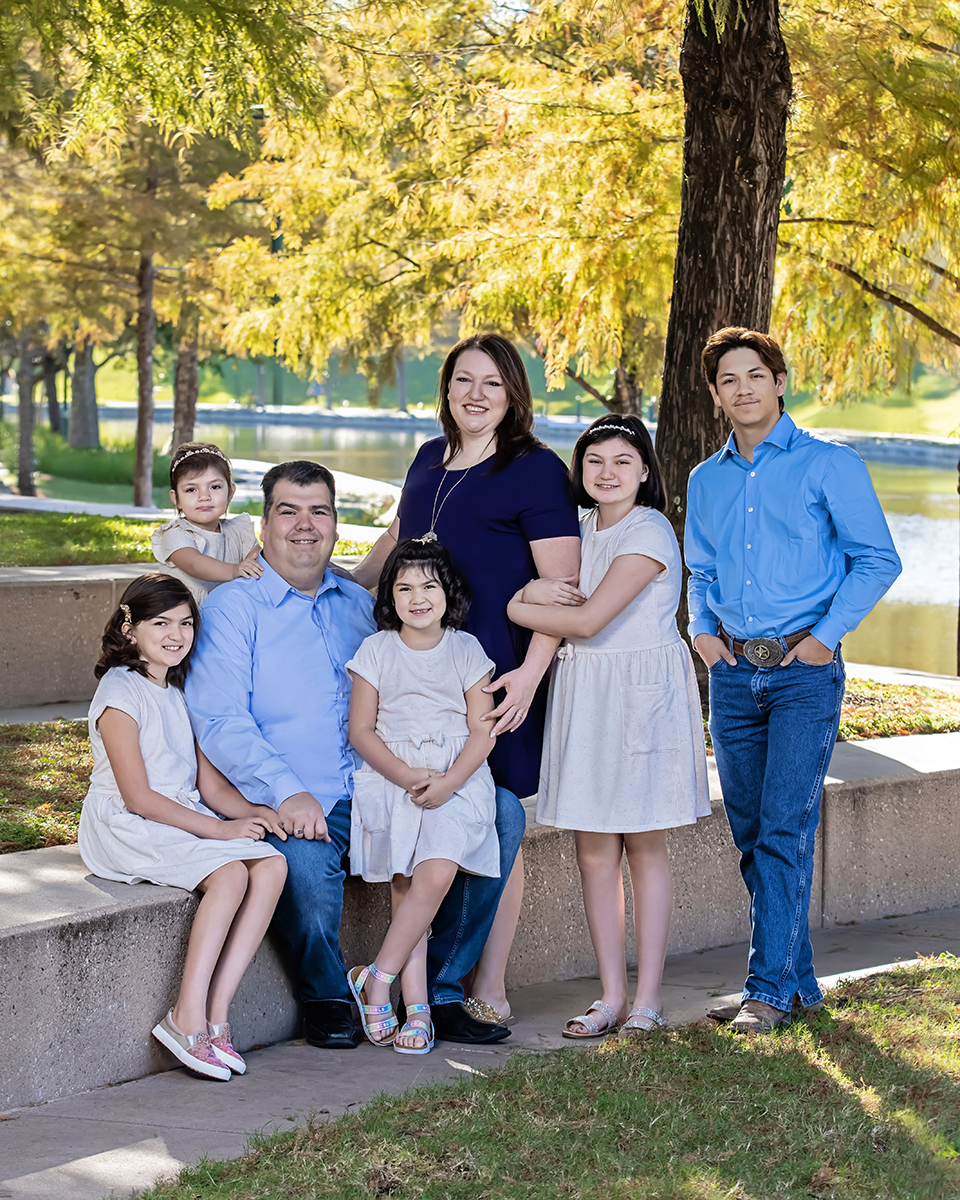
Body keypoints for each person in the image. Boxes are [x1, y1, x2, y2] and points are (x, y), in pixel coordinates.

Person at [352, 333, 580, 1043]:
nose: (475, 395)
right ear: (446, 388)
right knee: (431, 825)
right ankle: (421, 988)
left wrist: (530, 676)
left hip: (496, 675)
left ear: (513, 395)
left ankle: (486, 981)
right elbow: (396, 544)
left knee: (496, 819)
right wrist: (332, 580)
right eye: (462, 380)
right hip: (416, 679)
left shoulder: (536, 470)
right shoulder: (428, 458)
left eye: (492, 383)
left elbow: (563, 587)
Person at [685, 327, 902, 1034]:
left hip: (802, 675)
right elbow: (701, 569)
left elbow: (878, 559)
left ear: (779, 382)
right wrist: (702, 633)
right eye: (728, 379)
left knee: (784, 828)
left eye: (755, 374)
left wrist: (823, 639)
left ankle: (766, 992)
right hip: (731, 674)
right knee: (752, 835)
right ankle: (797, 982)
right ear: (715, 394)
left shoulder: (829, 464)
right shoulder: (706, 478)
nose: (743, 388)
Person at [507, 415, 710, 1039]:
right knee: (593, 849)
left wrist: (518, 603)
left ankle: (647, 998)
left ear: (645, 470)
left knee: (643, 845)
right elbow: (561, 607)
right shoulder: (580, 527)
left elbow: (588, 620)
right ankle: (611, 996)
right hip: (586, 694)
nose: (607, 472)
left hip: (639, 696)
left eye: (623, 461)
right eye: (594, 461)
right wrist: (534, 595)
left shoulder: (649, 531)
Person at [185, 460, 377, 1050]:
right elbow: (220, 719)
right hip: (291, 799)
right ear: (264, 524)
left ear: (336, 524)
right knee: (305, 873)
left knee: (499, 816)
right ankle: (328, 997)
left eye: (319, 511)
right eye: (288, 511)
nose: (304, 524)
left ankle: (441, 991)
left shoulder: (362, 605)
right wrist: (286, 790)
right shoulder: (232, 608)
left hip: (378, 788)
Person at [77, 574, 287, 1081]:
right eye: (161, 623)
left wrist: (249, 813)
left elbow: (207, 784)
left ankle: (215, 1016)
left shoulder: (177, 688)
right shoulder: (119, 692)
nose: (176, 634)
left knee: (272, 866)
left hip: (175, 813)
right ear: (129, 628)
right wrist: (218, 832)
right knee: (231, 874)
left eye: (186, 623)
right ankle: (184, 1017)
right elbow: (138, 796)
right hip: (125, 823)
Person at [346, 539, 500, 1054]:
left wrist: (449, 781)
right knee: (406, 889)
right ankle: (417, 1010)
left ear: (447, 591)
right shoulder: (376, 651)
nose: (417, 598)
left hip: (457, 780)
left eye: (428, 586)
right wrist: (406, 775)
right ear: (390, 595)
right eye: (404, 587)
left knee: (435, 874)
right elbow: (361, 730)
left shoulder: (465, 649)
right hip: (395, 779)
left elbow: (483, 730)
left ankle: (376, 979)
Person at [152, 441, 262, 601]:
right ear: (176, 499)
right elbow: (194, 564)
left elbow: (261, 562)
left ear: (230, 492)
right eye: (191, 489)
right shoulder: (175, 535)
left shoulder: (239, 532)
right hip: (183, 613)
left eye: (215, 487)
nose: (204, 496)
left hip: (228, 611)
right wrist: (235, 570)